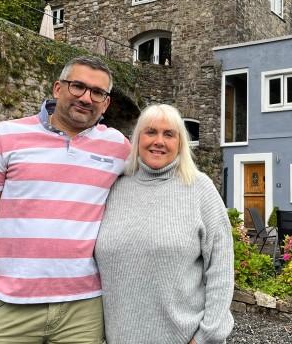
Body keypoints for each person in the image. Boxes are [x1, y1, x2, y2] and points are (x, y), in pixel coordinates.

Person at [0, 56, 131, 343]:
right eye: (78, 86)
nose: (86, 98)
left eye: (97, 92)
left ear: (106, 103)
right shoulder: (4, 136)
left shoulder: (118, 148)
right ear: (57, 88)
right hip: (8, 309)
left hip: (83, 309)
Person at [96, 104, 234, 344]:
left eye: (168, 134)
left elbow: (221, 270)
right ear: (137, 138)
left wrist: (206, 335)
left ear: (180, 143)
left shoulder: (200, 189)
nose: (158, 141)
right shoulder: (115, 187)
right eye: (150, 132)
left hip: (183, 338)